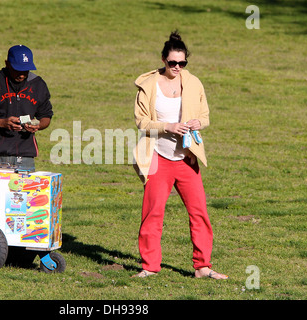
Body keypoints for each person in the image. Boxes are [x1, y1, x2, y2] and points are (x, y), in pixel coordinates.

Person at [132, 31, 228, 279]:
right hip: (157, 159)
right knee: (152, 214)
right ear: (164, 59)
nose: (177, 67)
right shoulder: (149, 85)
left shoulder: (194, 83)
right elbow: (141, 122)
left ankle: (203, 267)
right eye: (173, 62)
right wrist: (168, 127)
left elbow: (205, 117)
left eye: (182, 63)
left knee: (199, 213)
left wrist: (198, 123)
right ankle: (150, 267)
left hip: (187, 158)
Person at [0, 44, 53, 171]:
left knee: (23, 191)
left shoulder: (38, 85)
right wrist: (3, 123)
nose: (21, 75)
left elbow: (46, 116)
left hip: (24, 156)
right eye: (17, 70)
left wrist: (38, 125)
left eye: (25, 70)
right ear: (7, 63)